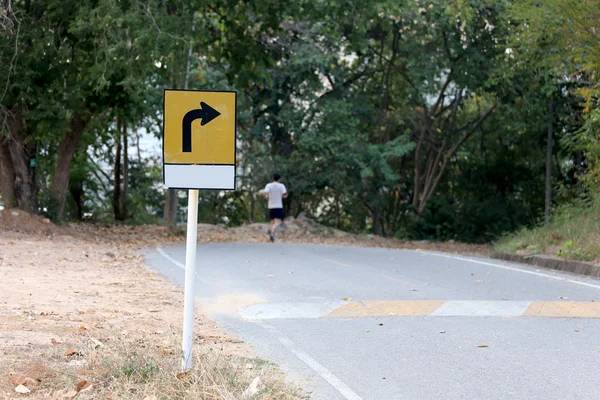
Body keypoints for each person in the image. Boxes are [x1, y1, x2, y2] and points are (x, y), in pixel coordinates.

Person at [263, 173, 288, 242]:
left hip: (271, 206)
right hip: (278, 206)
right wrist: (284, 196)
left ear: (273, 178)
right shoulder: (281, 186)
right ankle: (272, 231)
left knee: (272, 220)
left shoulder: (269, 185)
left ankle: (270, 231)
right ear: (279, 179)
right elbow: (285, 195)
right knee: (278, 222)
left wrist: (267, 197)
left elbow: (265, 193)